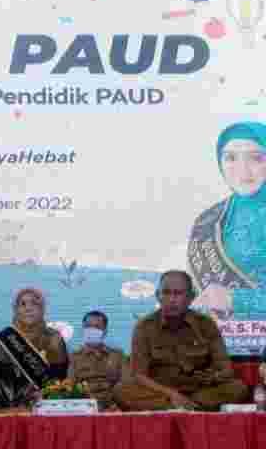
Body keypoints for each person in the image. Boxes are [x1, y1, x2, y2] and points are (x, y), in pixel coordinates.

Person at [114, 270, 249, 411]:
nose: (172, 300)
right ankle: (187, 407)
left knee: (238, 388)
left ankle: (184, 406)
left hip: (200, 390)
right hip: (161, 391)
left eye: (178, 293)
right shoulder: (144, 326)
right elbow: (139, 375)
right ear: (158, 296)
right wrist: (171, 394)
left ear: (191, 297)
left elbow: (226, 368)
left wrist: (212, 378)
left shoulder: (206, 324)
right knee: (121, 391)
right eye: (166, 293)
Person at [189, 122, 266, 323]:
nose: (243, 170)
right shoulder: (210, 218)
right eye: (231, 158)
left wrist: (235, 299)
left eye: (256, 158)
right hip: (214, 334)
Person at [0, 287, 68, 408]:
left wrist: (45, 393)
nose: (28, 308)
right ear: (15, 309)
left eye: (34, 303)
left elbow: (60, 378)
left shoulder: (53, 338)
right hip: (5, 403)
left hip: (44, 402)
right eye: (23, 304)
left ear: (42, 309)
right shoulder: (6, 338)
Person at [68, 311, 129, 410]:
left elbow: (126, 383)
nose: (92, 330)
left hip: (114, 406)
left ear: (105, 331)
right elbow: (70, 386)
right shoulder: (75, 357)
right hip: (85, 407)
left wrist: (114, 404)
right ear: (83, 329)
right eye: (88, 327)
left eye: (97, 327)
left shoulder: (118, 355)